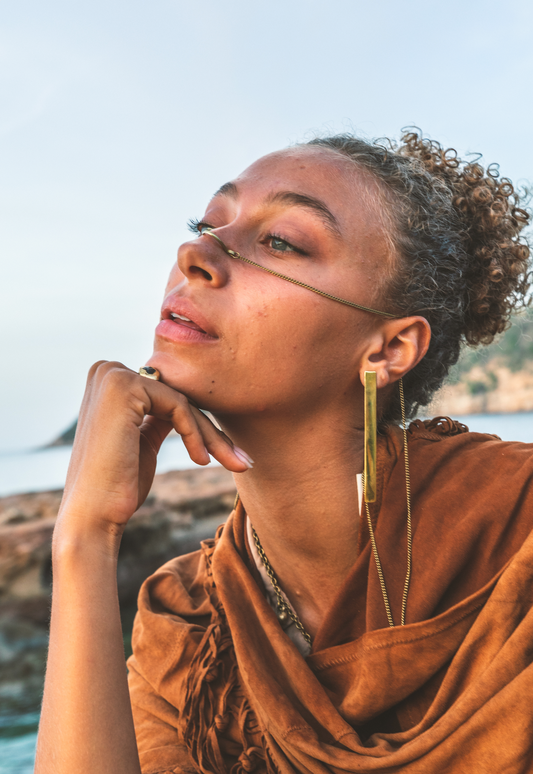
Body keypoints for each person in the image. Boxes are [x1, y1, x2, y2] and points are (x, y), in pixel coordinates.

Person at [35, 131, 533, 774]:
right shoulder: (186, 627)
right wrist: (82, 538)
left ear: (388, 351)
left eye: (281, 242)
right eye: (205, 226)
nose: (196, 253)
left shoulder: (516, 531)